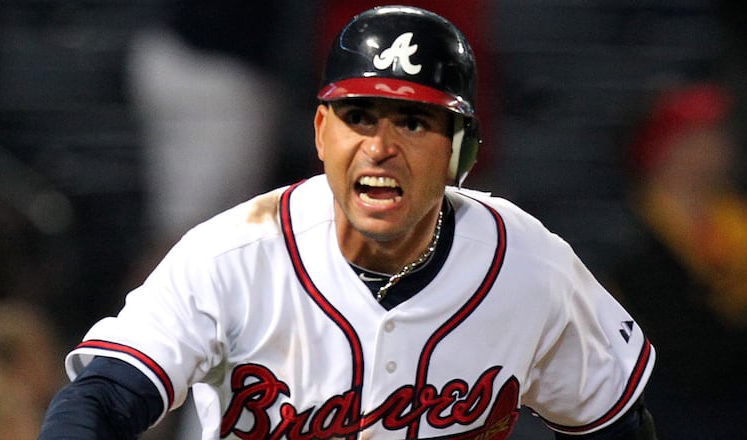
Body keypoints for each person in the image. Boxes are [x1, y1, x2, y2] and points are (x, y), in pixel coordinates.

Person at [38, 6, 658, 439]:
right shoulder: (231, 255)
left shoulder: (530, 265)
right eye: (358, 117)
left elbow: (612, 422)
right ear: (320, 133)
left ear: (461, 152)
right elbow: (101, 399)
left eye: (413, 123)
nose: (380, 146)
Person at [608, 80, 747, 439]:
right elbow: (686, 351)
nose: (711, 150)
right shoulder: (627, 236)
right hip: (671, 407)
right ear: (661, 148)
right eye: (693, 138)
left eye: (715, 136)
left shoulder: (733, 224)